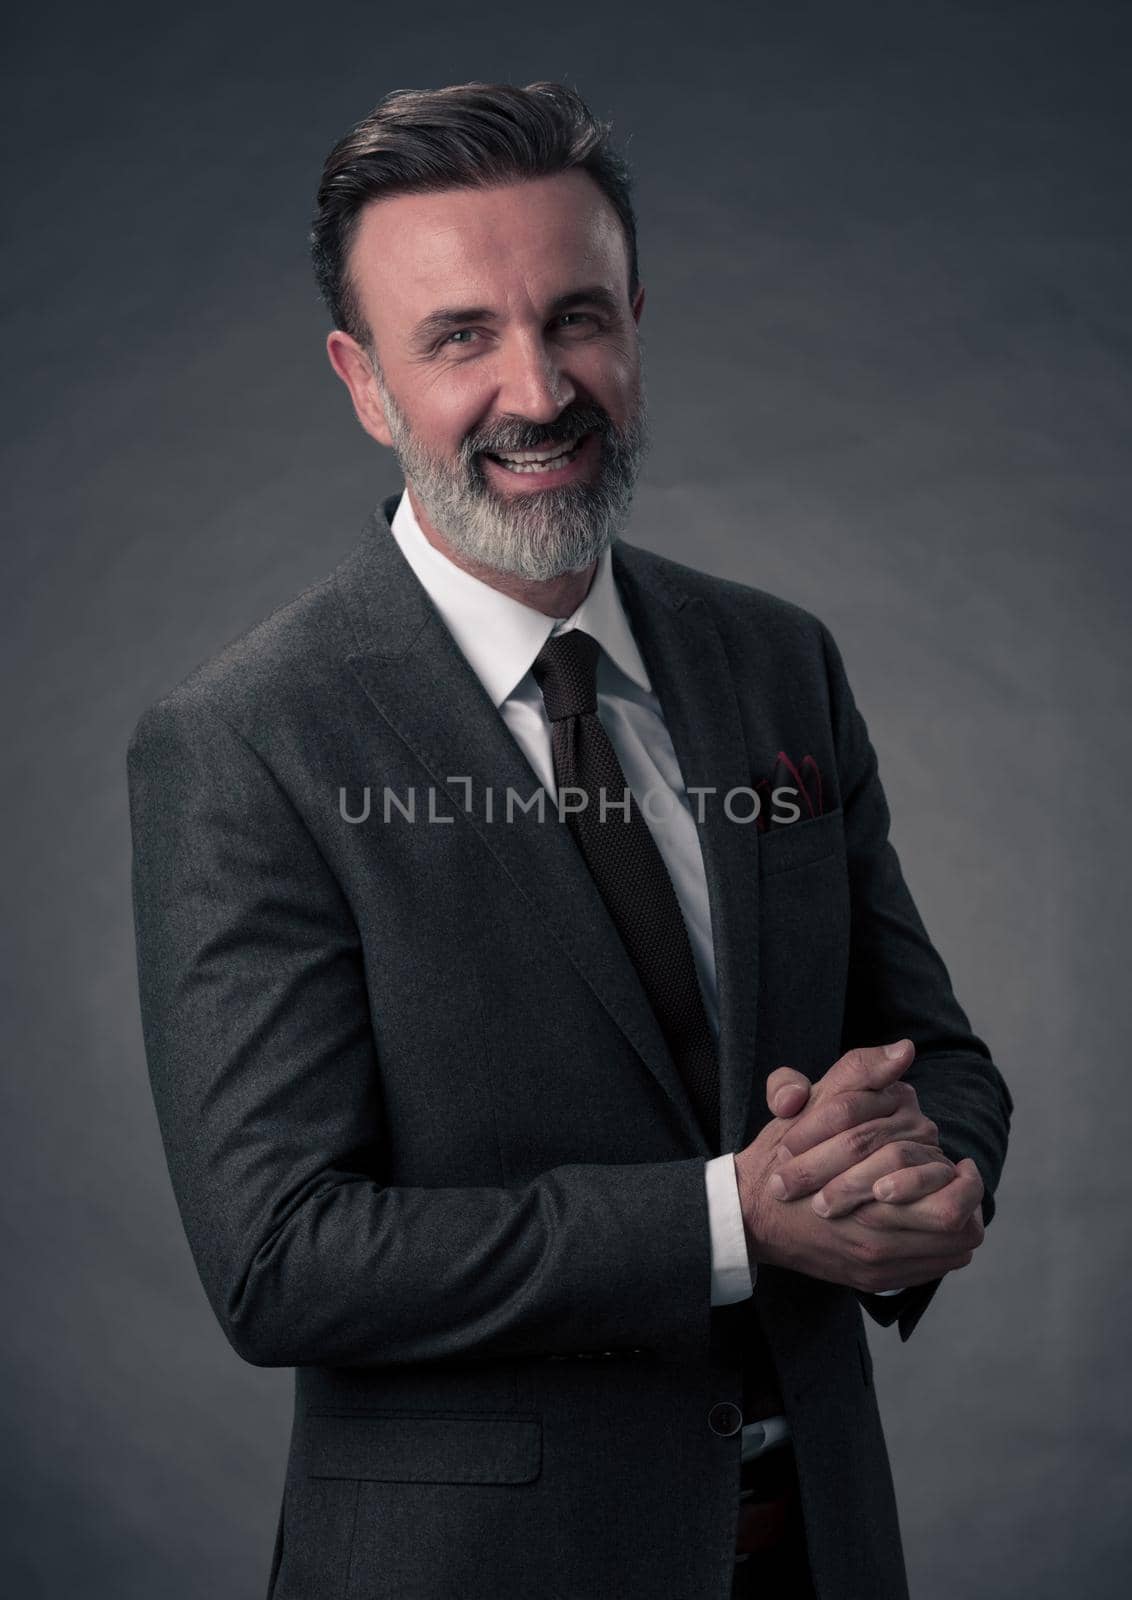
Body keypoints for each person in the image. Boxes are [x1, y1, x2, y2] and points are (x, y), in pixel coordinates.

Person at [127, 80, 1012, 1600]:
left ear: (637, 323)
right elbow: (282, 1257)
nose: (539, 390)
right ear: (363, 381)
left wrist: (929, 1185)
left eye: (578, 318)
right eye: (459, 337)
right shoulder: (246, 742)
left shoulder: (776, 661)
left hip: (820, 1552)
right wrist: (739, 1217)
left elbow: (938, 1058)